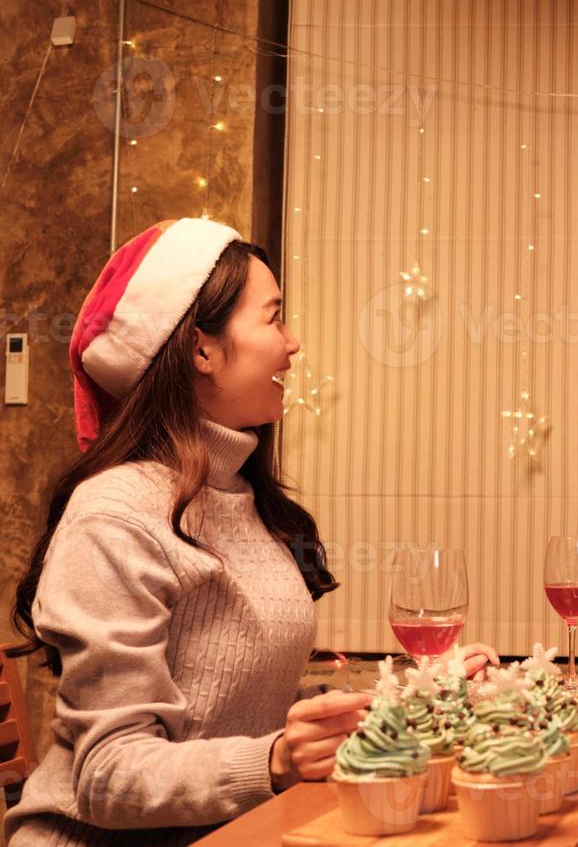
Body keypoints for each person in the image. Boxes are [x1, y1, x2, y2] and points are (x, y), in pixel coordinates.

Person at [6, 219, 496, 845]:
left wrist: (417, 693)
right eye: (273, 318)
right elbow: (107, 774)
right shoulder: (116, 514)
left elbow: (248, 705)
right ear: (200, 349)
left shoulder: (244, 497)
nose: (292, 344)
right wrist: (276, 761)